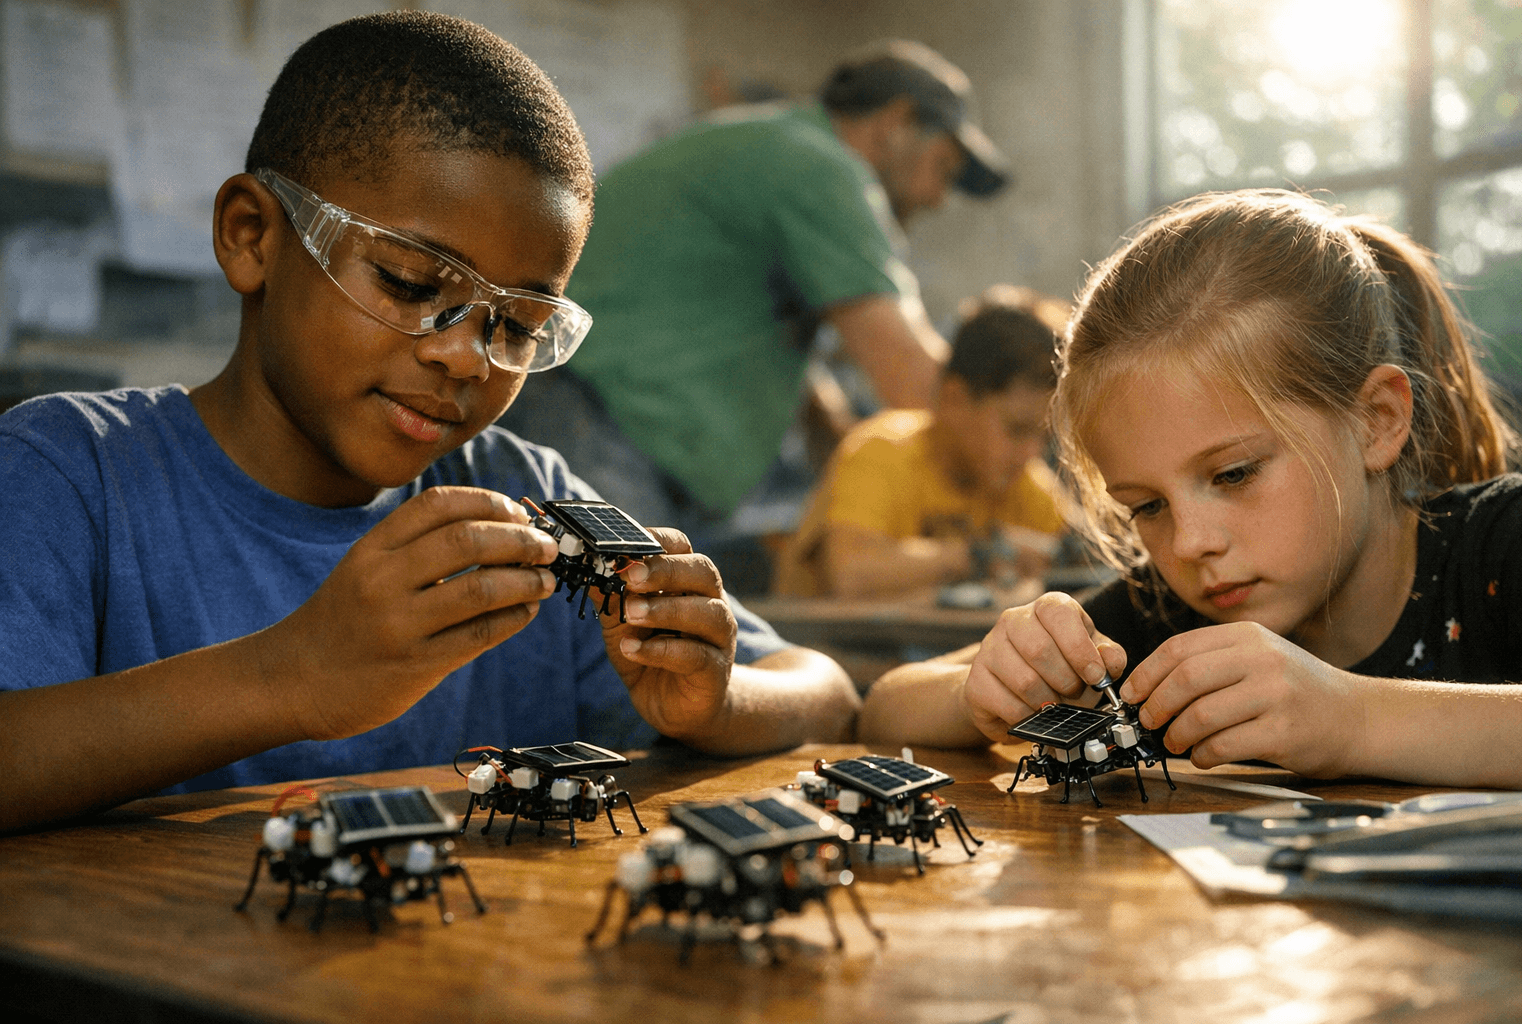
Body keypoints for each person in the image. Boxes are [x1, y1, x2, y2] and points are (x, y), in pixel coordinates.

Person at [0, 12, 859, 833]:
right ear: (251, 236)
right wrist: (292, 676)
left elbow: (822, 689)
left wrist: (718, 699)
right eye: (412, 283)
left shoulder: (525, 502)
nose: (468, 357)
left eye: (518, 326)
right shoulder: (74, 476)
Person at [859, 188, 1522, 790]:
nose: (1189, 544)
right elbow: (886, 704)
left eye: (1234, 473)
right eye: (1147, 506)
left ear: (1376, 421)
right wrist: (982, 692)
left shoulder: (1504, 548)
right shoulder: (1164, 619)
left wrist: (1352, 719)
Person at [500, 38, 1011, 558]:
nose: (938, 199)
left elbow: (775, 344)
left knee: (644, 613)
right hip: (590, 422)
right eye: (943, 169)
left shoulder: (775, 144)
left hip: (598, 419)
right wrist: (1027, 480)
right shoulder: (824, 170)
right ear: (896, 124)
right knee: (620, 618)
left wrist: (844, 449)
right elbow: (916, 383)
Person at [775, 284, 1066, 599]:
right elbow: (851, 574)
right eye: (1017, 429)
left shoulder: (1027, 484)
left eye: (1045, 436)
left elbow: (1086, 562)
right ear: (954, 399)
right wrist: (981, 555)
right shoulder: (881, 452)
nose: (1032, 452)